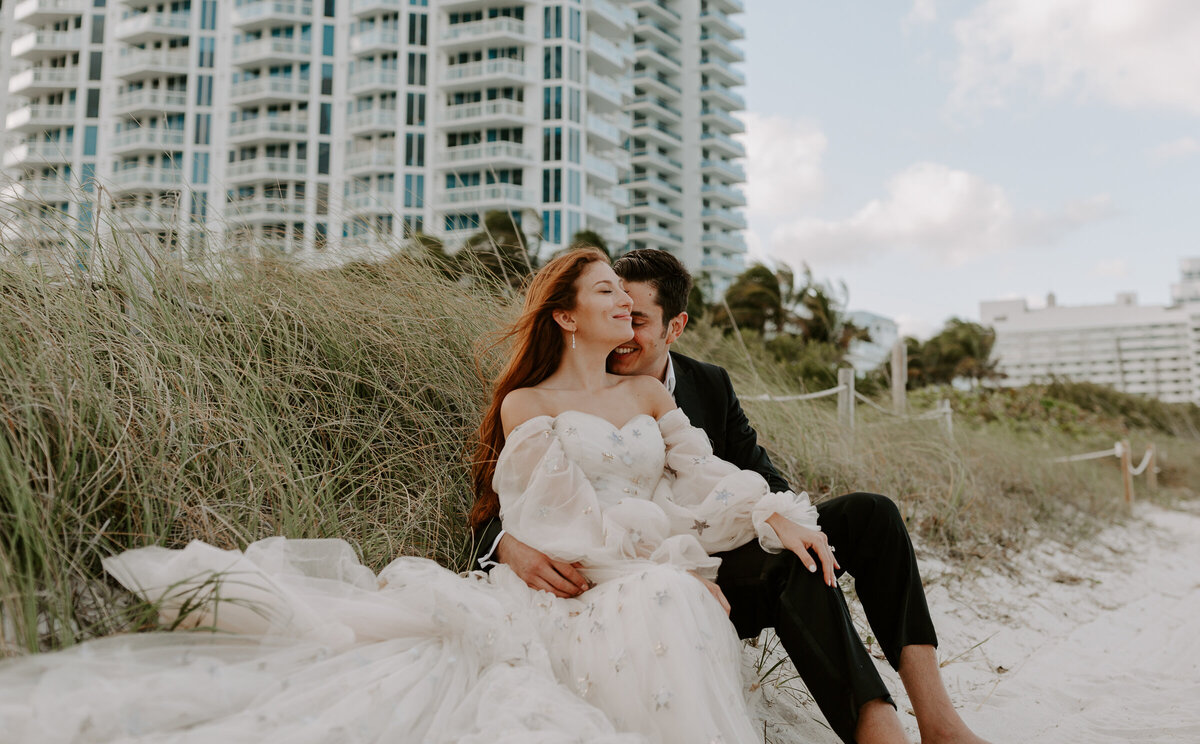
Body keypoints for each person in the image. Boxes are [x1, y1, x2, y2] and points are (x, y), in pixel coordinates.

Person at [0, 247, 818, 743]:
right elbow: (554, 526)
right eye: (606, 292)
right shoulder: (527, 407)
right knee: (668, 597)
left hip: (634, 573)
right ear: (567, 318)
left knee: (674, 598)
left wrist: (769, 510)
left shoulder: (651, 399)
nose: (625, 309)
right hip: (573, 583)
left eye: (629, 299)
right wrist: (663, 556)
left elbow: (708, 473)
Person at [472, 248, 991, 744]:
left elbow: (740, 472)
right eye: (614, 302)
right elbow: (516, 502)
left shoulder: (704, 385)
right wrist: (508, 547)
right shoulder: (539, 400)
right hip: (646, 570)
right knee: (792, 565)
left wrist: (779, 517)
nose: (625, 324)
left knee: (870, 515)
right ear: (570, 317)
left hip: (723, 534)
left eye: (638, 318)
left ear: (675, 327)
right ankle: (877, 732)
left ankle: (939, 721)